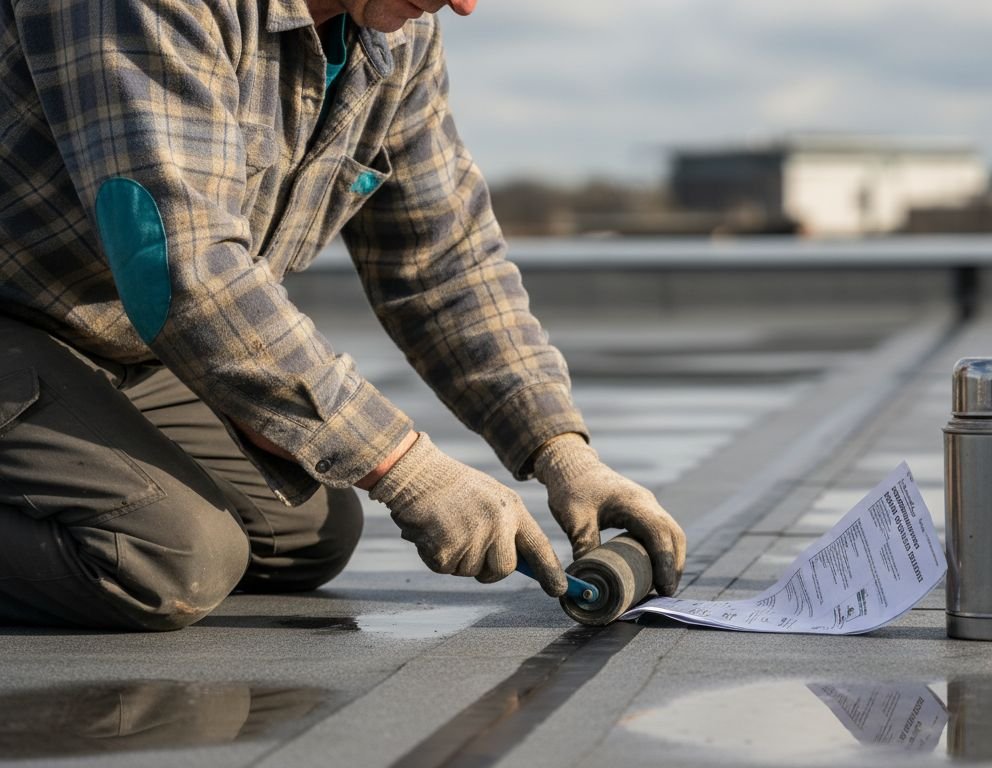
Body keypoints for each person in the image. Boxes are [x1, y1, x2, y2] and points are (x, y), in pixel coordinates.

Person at [0, 0, 686, 630]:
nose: (465, 4)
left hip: (106, 338)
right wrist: (406, 467)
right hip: (19, 319)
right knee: (165, 555)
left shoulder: (396, 31)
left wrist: (560, 450)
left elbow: (442, 258)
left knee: (305, 534)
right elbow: (184, 266)